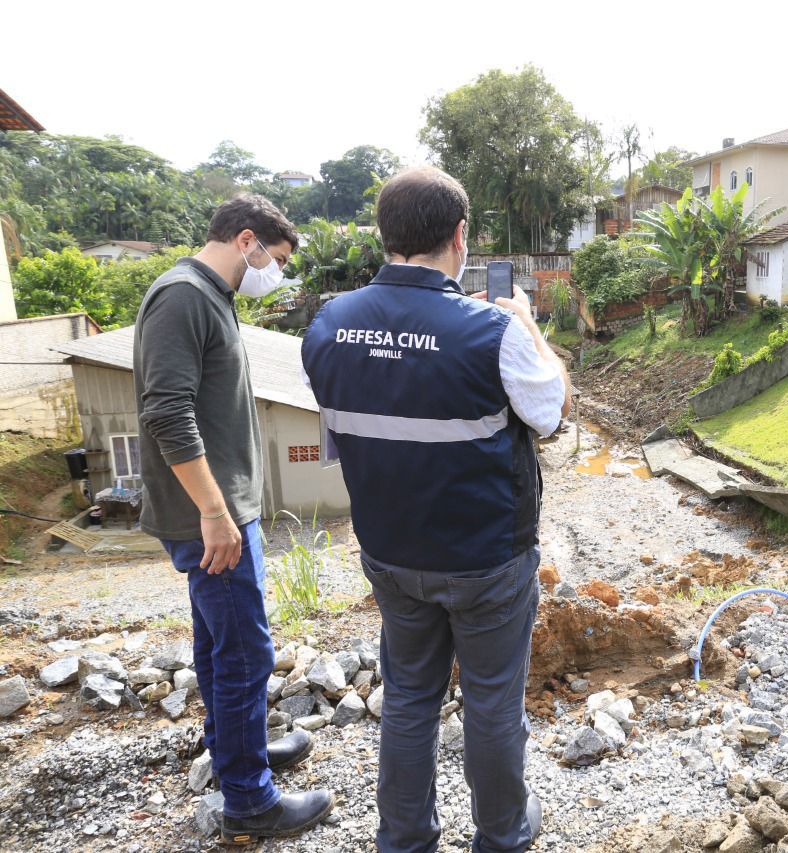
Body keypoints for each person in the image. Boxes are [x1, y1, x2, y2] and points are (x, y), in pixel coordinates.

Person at [301, 167, 569, 853]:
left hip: (391, 553)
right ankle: (502, 835)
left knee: (411, 698)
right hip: (487, 560)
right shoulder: (491, 331)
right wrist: (531, 329)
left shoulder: (327, 326)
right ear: (459, 237)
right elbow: (553, 413)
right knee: (490, 702)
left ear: (384, 236)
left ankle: (406, 838)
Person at [134, 194, 334, 844]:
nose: (272, 271)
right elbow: (167, 410)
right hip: (210, 519)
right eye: (272, 259)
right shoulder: (183, 296)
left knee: (221, 648)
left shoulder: (210, 295)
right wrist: (214, 511)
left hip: (219, 512)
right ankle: (250, 801)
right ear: (245, 239)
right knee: (248, 651)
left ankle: (234, 755)